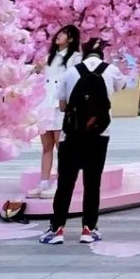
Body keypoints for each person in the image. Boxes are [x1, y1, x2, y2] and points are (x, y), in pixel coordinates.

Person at [38, 39, 126, 246]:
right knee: (92, 183)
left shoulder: (70, 72)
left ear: (83, 53)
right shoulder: (112, 70)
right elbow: (120, 87)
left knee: (66, 184)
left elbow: (61, 105)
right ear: (103, 54)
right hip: (100, 134)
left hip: (72, 135)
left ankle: (57, 229)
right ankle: (89, 229)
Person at [27, 25, 81, 199]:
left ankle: (60, 183)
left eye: (64, 34)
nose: (59, 36)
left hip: (61, 107)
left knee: (62, 147)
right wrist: (36, 68)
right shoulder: (48, 57)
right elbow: (35, 78)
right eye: (59, 33)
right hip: (45, 105)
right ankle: (43, 182)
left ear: (71, 39)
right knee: (46, 147)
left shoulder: (75, 58)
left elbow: (76, 83)